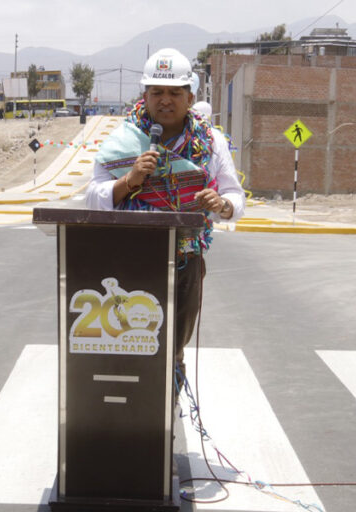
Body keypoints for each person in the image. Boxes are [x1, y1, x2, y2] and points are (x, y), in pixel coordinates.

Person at [85, 48, 245, 392]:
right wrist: (128, 182)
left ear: (190, 96)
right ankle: (136, 403)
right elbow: (93, 197)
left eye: (174, 93)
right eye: (157, 92)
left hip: (185, 259)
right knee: (131, 339)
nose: (165, 100)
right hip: (129, 258)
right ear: (145, 96)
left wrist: (222, 204)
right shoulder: (122, 140)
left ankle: (169, 394)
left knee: (174, 342)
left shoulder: (211, 142)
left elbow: (236, 196)